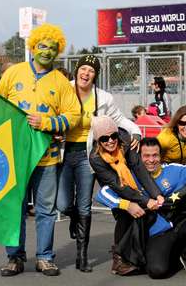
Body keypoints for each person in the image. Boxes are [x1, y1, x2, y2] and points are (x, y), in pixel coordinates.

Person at [0, 23, 81, 276]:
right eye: (42, 46)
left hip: (47, 158)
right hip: (15, 157)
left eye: (52, 48)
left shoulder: (62, 82)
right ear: (33, 46)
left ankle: (45, 257)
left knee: (46, 210)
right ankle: (14, 257)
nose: (46, 51)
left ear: (57, 52)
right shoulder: (13, 74)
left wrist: (48, 123)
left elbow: (74, 115)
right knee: (15, 207)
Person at [96, 137, 186, 278]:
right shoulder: (129, 175)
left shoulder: (175, 170)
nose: (151, 160)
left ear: (161, 156)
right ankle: (171, 255)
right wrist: (127, 205)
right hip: (154, 233)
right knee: (157, 271)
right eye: (146, 156)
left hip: (176, 225)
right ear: (139, 158)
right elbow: (102, 193)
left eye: (155, 155)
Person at [56, 55, 142, 272]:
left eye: (91, 71)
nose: (86, 73)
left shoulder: (103, 98)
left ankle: (82, 257)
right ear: (76, 70)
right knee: (63, 204)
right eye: (83, 69)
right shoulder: (62, 90)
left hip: (88, 156)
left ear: (95, 75)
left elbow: (119, 120)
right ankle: (74, 217)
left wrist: (136, 132)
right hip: (63, 154)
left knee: (84, 203)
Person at [89, 116, 164, 276]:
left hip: (128, 177)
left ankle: (135, 256)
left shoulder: (125, 140)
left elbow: (139, 169)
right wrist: (145, 200)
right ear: (98, 141)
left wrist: (156, 194)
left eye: (113, 136)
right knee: (123, 212)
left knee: (140, 212)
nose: (110, 141)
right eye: (104, 138)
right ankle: (119, 260)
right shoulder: (95, 158)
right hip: (111, 184)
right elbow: (118, 185)